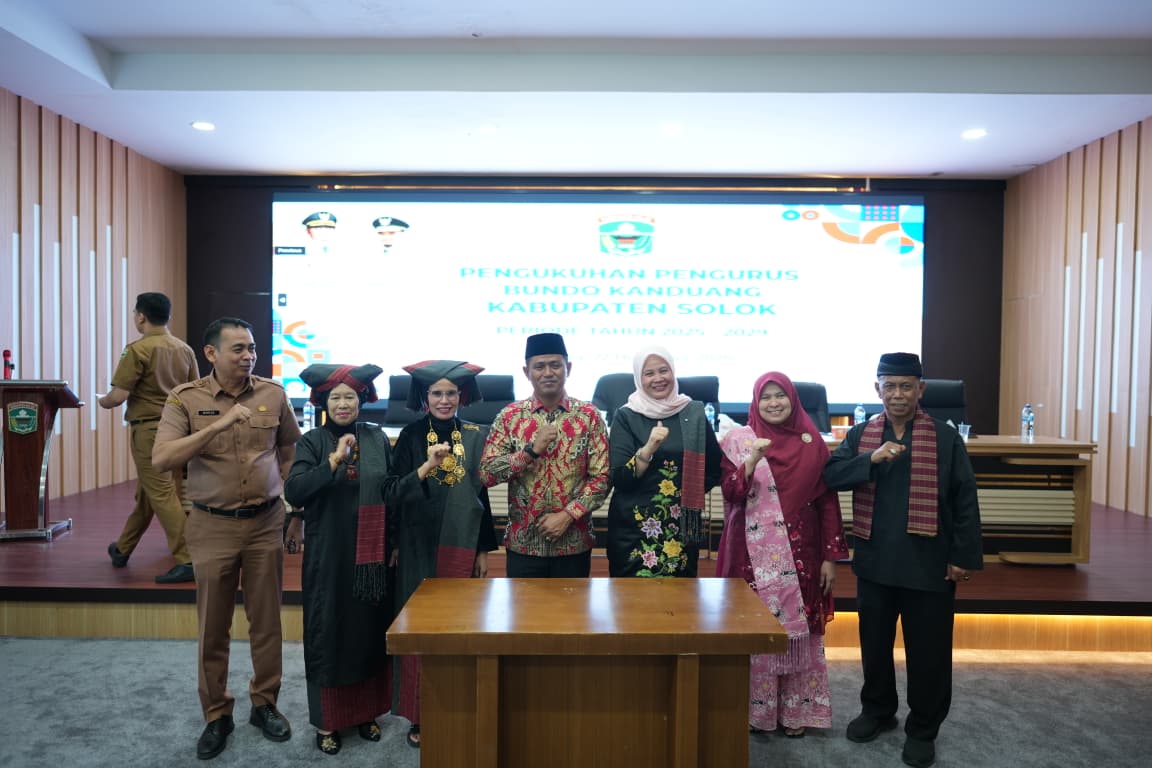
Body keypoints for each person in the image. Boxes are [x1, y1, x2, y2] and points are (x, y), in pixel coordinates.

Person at [152, 317, 302, 761]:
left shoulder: (273, 394)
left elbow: (288, 451)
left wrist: (292, 509)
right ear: (211, 353)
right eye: (238, 349)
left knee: (267, 622)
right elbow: (162, 458)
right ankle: (217, 713)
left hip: (265, 523)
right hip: (212, 524)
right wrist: (217, 426)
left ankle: (265, 703)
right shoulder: (185, 398)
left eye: (251, 348)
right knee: (212, 626)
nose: (248, 356)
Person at [823, 352, 982, 768]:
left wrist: (961, 556)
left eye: (906, 386)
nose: (898, 394)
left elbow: (965, 500)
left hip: (928, 564)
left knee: (928, 652)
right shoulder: (861, 435)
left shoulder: (945, 438)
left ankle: (923, 728)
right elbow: (831, 476)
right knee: (875, 646)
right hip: (875, 562)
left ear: (920, 389)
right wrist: (869, 460)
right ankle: (878, 710)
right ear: (877, 389)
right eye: (890, 386)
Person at [717, 371, 849, 737]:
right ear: (755, 402)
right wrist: (751, 460)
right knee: (758, 631)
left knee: (800, 634)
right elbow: (730, 492)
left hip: (804, 552)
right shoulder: (738, 440)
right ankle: (758, 712)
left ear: (793, 399)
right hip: (751, 555)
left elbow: (827, 502)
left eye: (781, 396)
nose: (774, 403)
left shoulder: (812, 443)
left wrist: (830, 557)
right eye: (766, 397)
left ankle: (796, 712)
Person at [283, 363, 395, 756]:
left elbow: (391, 493)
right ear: (323, 403)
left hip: (371, 554)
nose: (344, 403)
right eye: (336, 398)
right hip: (329, 553)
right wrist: (332, 462)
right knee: (328, 632)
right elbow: (295, 491)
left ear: (361, 401)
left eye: (350, 396)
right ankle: (328, 721)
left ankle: (365, 713)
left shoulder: (377, 438)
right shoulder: (312, 441)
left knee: (367, 631)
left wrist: (394, 542)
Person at [387, 359, 498, 749]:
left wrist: (483, 549)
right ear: (425, 396)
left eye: (451, 393)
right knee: (419, 626)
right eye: (437, 393)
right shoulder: (410, 435)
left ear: (461, 396)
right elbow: (394, 493)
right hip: (417, 542)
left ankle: (458, 703)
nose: (445, 400)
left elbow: (481, 497)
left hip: (461, 542)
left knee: (459, 623)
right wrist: (395, 543)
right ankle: (419, 711)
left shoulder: (475, 434)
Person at [478, 332, 610, 577]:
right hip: (523, 544)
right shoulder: (510, 416)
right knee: (524, 604)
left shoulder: (589, 416)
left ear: (568, 368)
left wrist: (567, 515)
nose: (548, 372)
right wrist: (529, 452)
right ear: (526, 372)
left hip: (573, 543)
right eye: (539, 367)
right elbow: (487, 475)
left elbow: (602, 478)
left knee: (573, 604)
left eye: (555, 365)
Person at [98, 291, 199, 583]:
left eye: (135, 314)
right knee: (150, 494)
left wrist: (102, 401)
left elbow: (118, 396)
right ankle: (122, 548)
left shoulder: (137, 349)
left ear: (141, 317)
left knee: (161, 493)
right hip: (178, 430)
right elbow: (194, 392)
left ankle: (188, 559)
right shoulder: (184, 349)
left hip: (149, 431)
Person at [605, 346, 720, 577]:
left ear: (673, 372)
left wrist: (684, 493)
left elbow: (714, 468)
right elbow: (620, 478)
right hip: (633, 530)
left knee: (682, 597)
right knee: (631, 597)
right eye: (649, 373)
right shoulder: (626, 415)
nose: (658, 378)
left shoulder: (693, 412)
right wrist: (648, 449)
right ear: (639, 378)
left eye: (663, 370)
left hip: (683, 528)